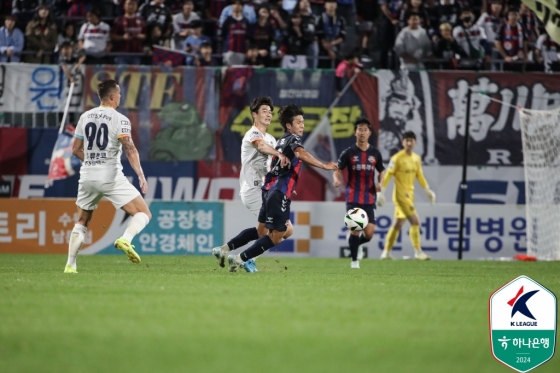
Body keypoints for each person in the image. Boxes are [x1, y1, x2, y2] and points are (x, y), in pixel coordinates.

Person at [226, 104, 338, 272]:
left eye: (303, 122)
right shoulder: (293, 140)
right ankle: (239, 259)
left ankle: (231, 252)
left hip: (269, 191)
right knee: (277, 236)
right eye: (298, 122)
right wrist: (323, 165)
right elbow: (300, 154)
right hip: (278, 192)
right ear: (288, 125)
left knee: (263, 231)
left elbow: (276, 167)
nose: (302, 125)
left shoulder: (281, 141)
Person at [64, 79, 152, 273]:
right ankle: (125, 240)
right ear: (112, 96)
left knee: (82, 221)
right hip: (110, 175)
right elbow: (129, 149)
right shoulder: (120, 119)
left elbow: (76, 150)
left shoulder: (85, 117)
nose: (120, 97)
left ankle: (70, 265)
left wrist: (93, 159)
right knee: (143, 213)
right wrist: (141, 175)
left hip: (87, 176)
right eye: (119, 94)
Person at [212, 97, 292, 272]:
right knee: (285, 229)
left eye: (270, 112)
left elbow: (272, 166)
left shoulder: (271, 138)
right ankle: (245, 259)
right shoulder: (253, 134)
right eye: (264, 111)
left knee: (262, 231)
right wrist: (278, 154)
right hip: (252, 189)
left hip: (265, 190)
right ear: (254, 114)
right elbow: (262, 147)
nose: (268, 114)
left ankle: (223, 250)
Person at [333, 117, 385, 269]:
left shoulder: (375, 153)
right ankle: (354, 261)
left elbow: (381, 170)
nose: (362, 133)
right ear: (355, 132)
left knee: (369, 233)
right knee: (355, 230)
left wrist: (380, 183)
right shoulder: (349, 153)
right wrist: (336, 179)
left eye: (365, 130)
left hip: (369, 197)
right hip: (353, 197)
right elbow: (337, 169)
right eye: (359, 130)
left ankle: (358, 245)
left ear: (369, 133)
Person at [377, 131, 435, 260]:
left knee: (397, 224)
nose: (409, 143)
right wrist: (381, 192)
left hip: (410, 195)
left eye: (411, 140)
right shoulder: (396, 158)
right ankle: (418, 251)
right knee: (415, 221)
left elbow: (420, 176)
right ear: (402, 142)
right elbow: (387, 176)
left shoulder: (416, 159)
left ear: (415, 142)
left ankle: (386, 252)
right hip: (400, 196)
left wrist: (428, 191)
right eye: (406, 140)